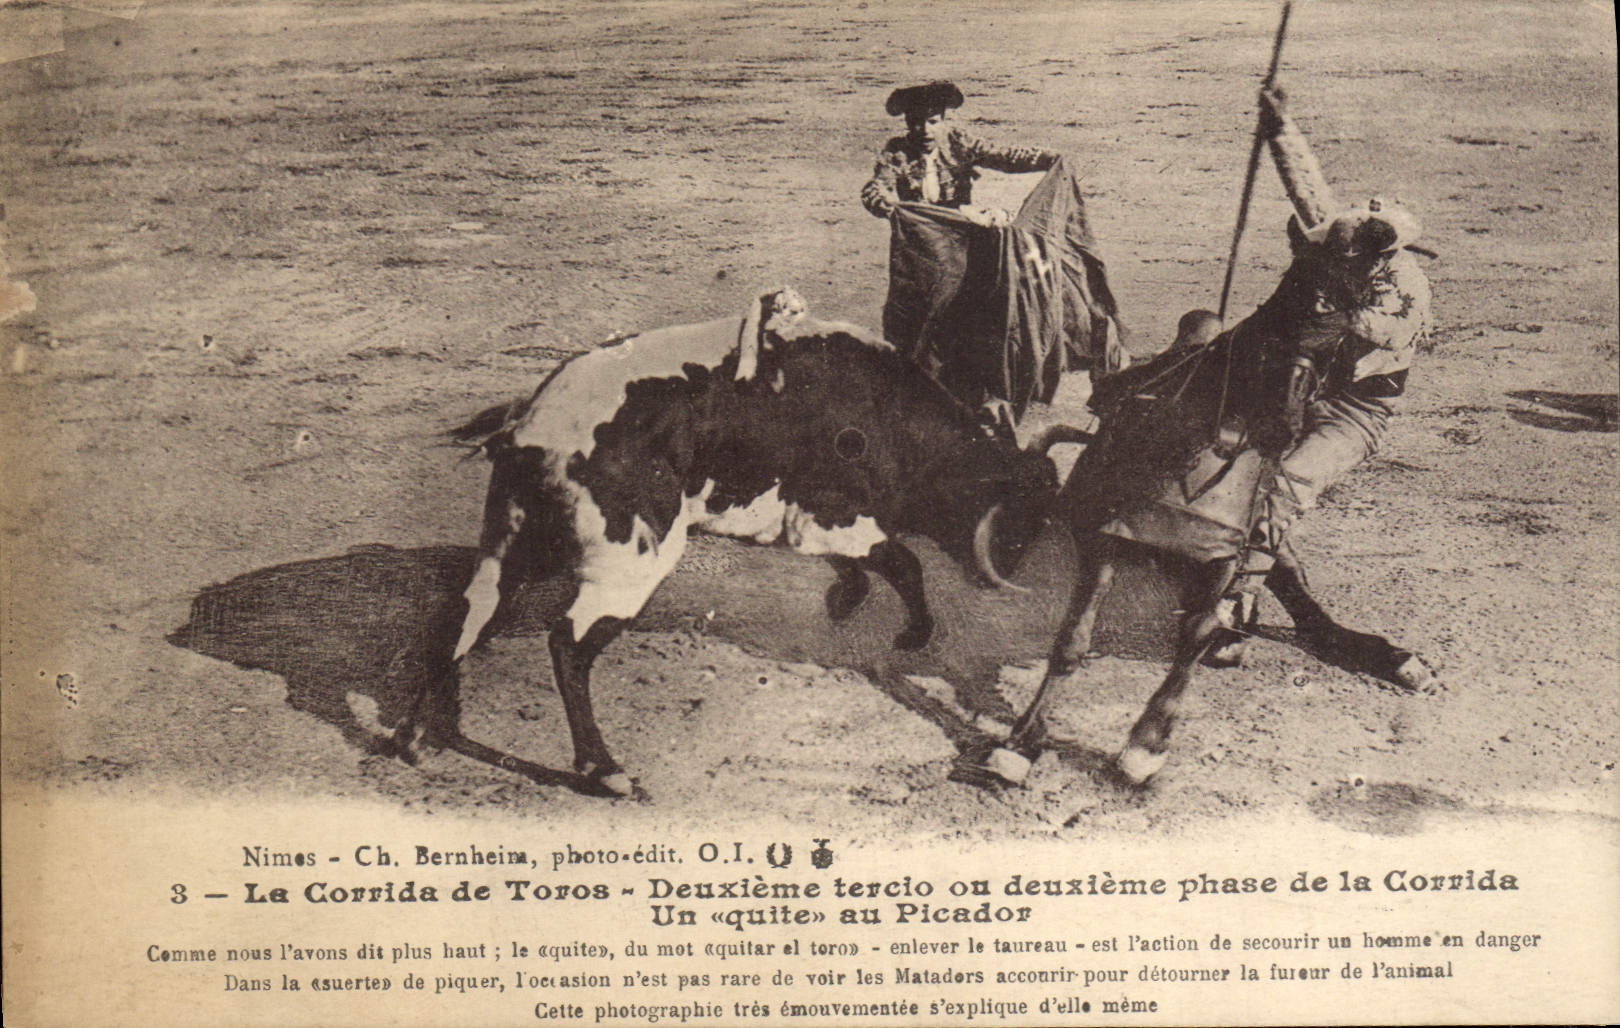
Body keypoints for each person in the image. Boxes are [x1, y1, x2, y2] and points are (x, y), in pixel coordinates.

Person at [1203, 82, 1433, 676]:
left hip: (1354, 412)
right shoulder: (1342, 242)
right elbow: (1305, 186)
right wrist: (1279, 126)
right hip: (1302, 384)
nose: (1346, 260)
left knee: (1286, 484)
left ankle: (1239, 600)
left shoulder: (1407, 291)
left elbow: (1359, 332)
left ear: (1384, 255)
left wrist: (1319, 313)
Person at [860, 81, 1058, 227]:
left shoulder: (957, 142)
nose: (925, 130)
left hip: (959, 229)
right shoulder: (897, 151)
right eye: (916, 123)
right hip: (917, 234)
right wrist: (887, 205)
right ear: (908, 124)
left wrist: (1046, 158)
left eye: (933, 122)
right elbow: (877, 186)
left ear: (943, 121)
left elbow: (1003, 157)